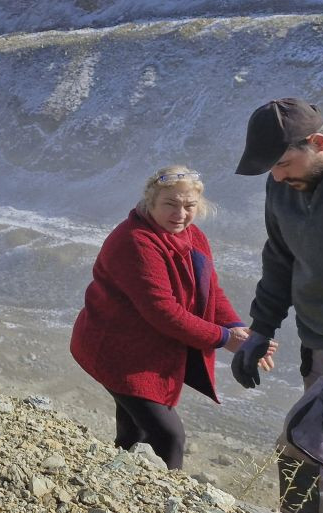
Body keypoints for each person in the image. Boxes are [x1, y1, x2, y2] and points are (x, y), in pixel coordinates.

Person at [69, 165, 273, 470]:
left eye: (189, 206)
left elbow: (210, 291)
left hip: (145, 352)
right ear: (151, 202)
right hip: (116, 352)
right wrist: (225, 339)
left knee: (134, 431)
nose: (180, 213)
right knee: (168, 436)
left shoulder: (193, 236)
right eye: (170, 204)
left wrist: (236, 327)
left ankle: (112, 484)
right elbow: (163, 311)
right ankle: (166, 497)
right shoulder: (136, 241)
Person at [232, 98, 323, 513]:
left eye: (282, 163)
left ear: (317, 142)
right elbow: (280, 258)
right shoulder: (282, 185)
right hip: (320, 349)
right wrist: (261, 329)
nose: (276, 175)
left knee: (307, 450)